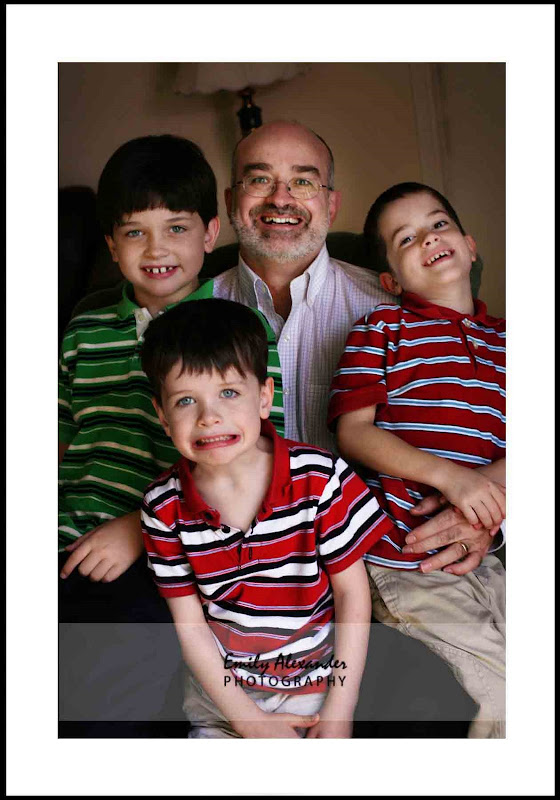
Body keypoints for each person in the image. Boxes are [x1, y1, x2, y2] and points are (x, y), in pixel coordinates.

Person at [58, 134, 283, 730]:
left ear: (210, 233)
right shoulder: (83, 330)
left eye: (176, 228)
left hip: (160, 547)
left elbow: (258, 460)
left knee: (113, 673)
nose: (156, 249)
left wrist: (137, 529)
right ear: (111, 245)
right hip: (64, 529)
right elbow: (58, 440)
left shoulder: (241, 331)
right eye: (135, 232)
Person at [214, 120, 494, 575]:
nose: (281, 198)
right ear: (230, 200)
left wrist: (487, 518)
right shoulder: (191, 315)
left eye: (303, 181)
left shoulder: (401, 306)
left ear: (331, 203)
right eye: (260, 179)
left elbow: (479, 424)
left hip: (378, 556)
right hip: (238, 563)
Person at [140, 298, 396, 738]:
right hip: (222, 696)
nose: (209, 417)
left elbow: (353, 596)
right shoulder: (163, 506)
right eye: (185, 401)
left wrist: (341, 708)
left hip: (314, 687)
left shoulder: (320, 478)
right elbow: (191, 625)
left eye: (228, 393)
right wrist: (248, 721)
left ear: (264, 397)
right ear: (163, 416)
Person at [328, 182, 506, 737]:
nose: (429, 238)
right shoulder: (382, 329)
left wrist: (486, 489)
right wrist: (449, 478)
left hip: (488, 557)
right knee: (499, 688)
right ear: (390, 281)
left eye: (439, 224)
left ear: (470, 247)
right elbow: (354, 432)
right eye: (406, 238)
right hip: (403, 558)